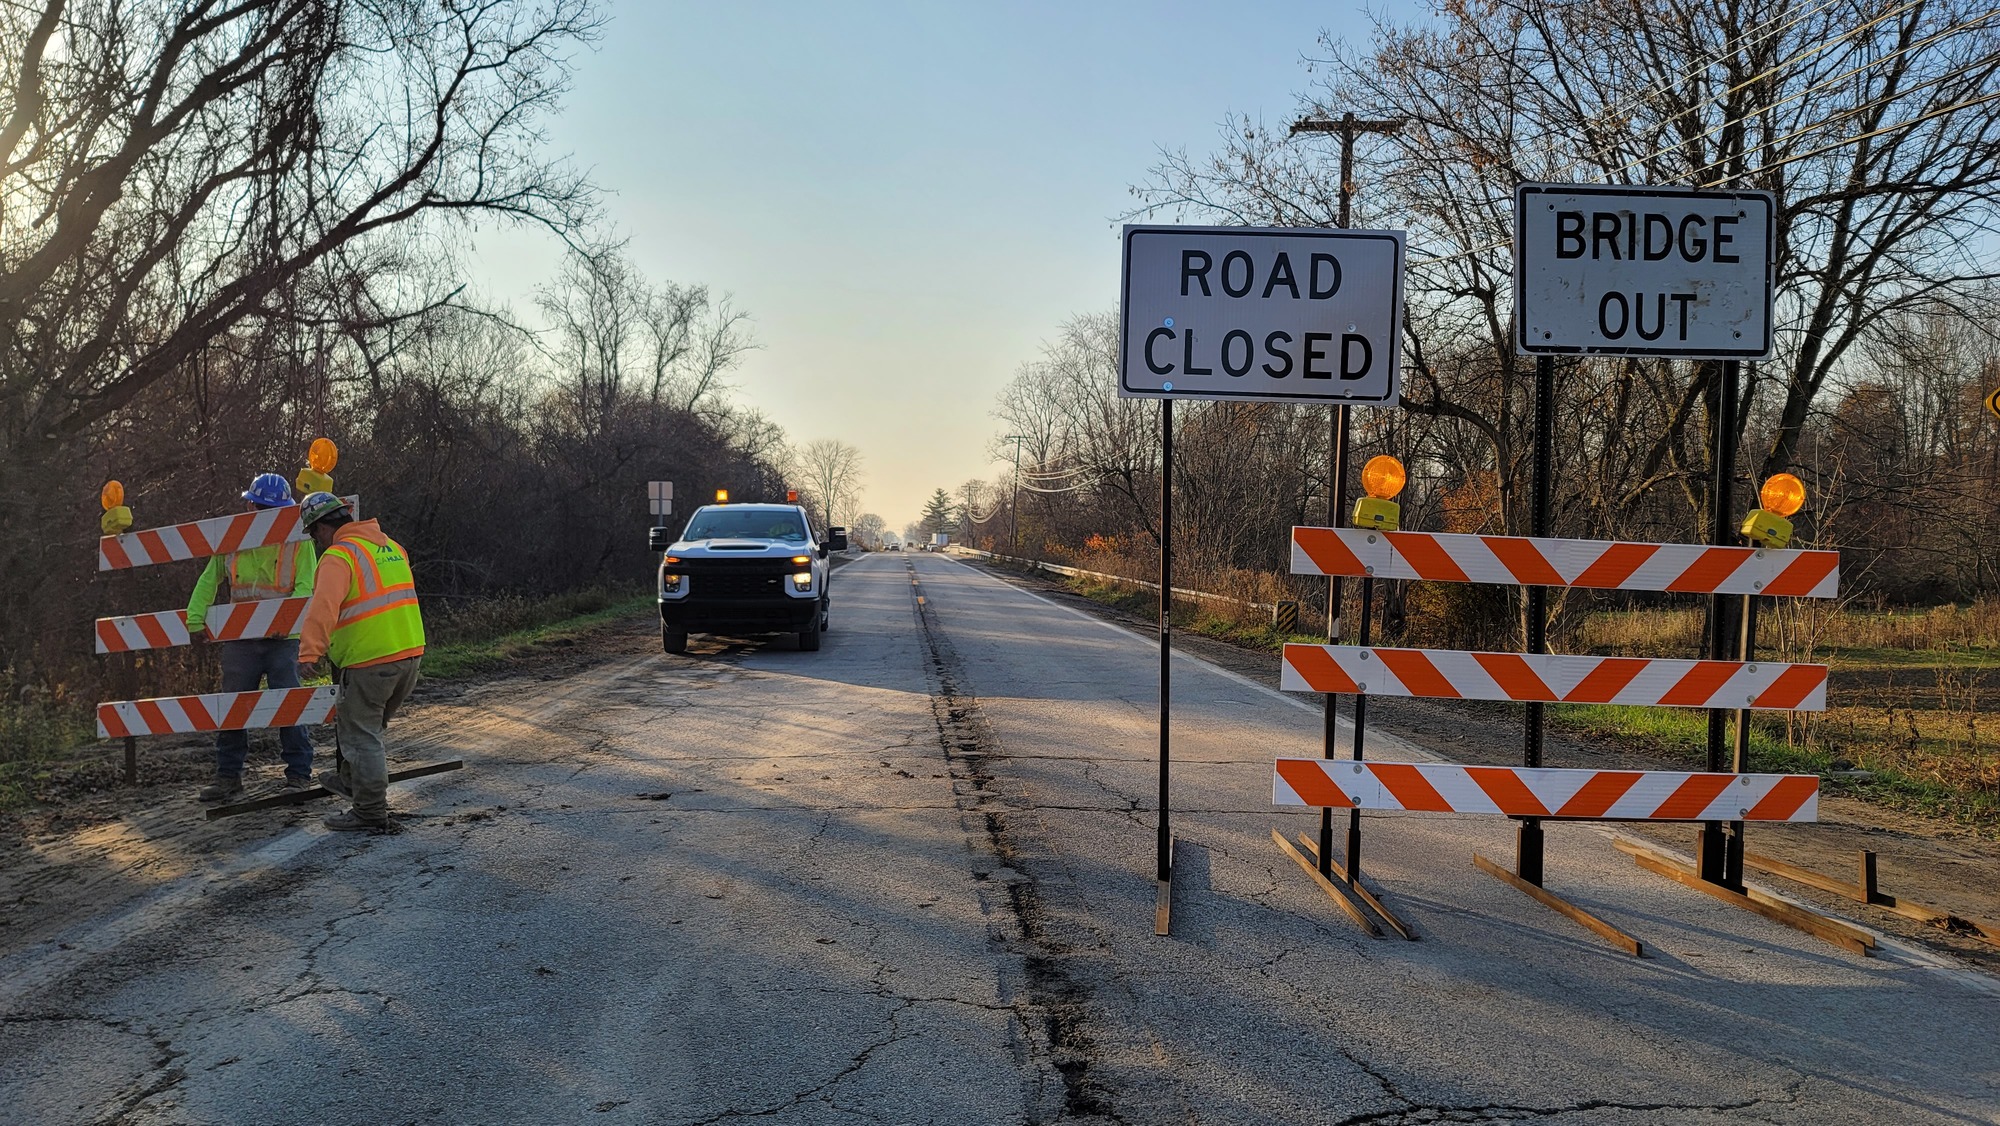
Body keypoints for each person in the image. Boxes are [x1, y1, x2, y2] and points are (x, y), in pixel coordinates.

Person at [295, 492, 426, 832]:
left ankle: (369, 811)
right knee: (366, 728)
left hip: (371, 660)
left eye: (313, 533)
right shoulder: (392, 548)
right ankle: (352, 781)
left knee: (362, 734)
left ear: (324, 527)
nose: (316, 541)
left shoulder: (340, 555)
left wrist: (310, 651)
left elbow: (324, 606)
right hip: (409, 655)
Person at [187, 473, 318, 801]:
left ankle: (299, 774)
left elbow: (306, 586)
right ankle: (228, 776)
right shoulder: (232, 540)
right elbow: (209, 579)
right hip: (241, 638)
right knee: (233, 705)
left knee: (288, 703)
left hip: (280, 639)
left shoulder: (296, 541)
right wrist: (194, 618)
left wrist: (286, 624)